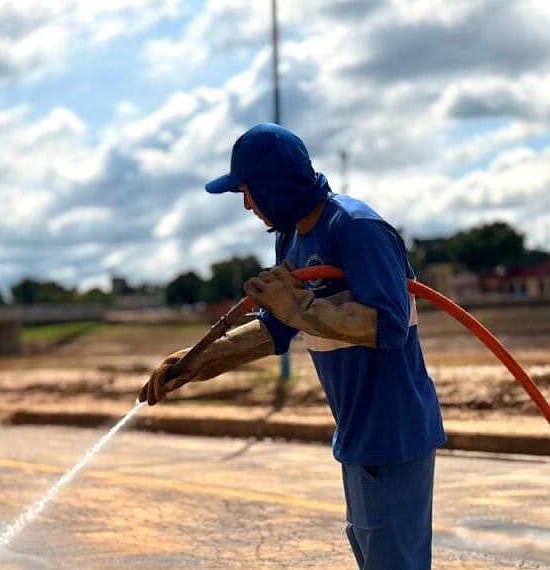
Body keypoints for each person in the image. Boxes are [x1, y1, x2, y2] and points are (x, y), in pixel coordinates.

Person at [141, 123, 445, 569]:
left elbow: (389, 324)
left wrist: (299, 308)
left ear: (273, 186)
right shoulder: (293, 239)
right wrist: (196, 362)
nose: (247, 205)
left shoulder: (357, 229)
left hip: (395, 433)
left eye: (247, 191)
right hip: (358, 434)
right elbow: (273, 329)